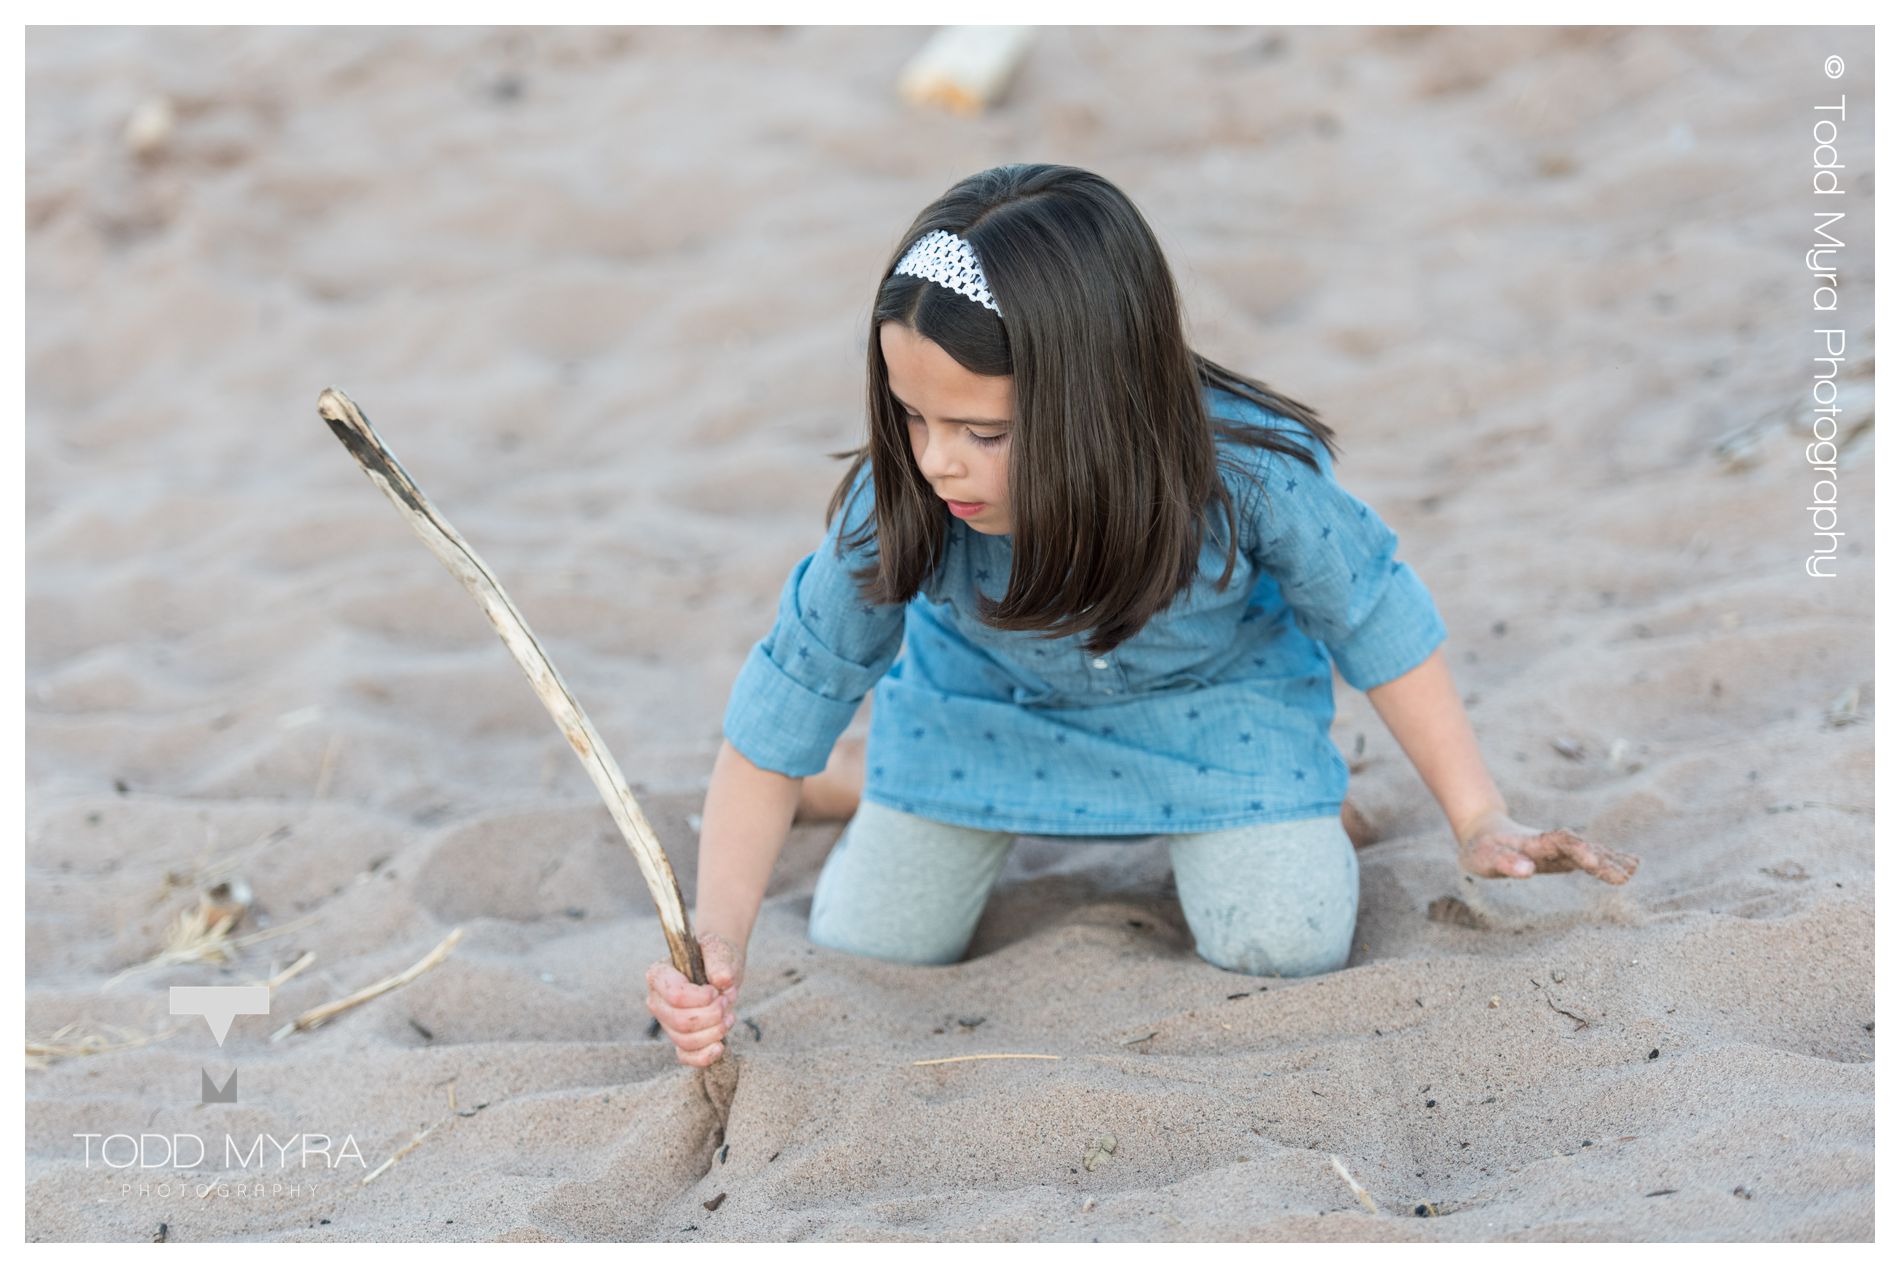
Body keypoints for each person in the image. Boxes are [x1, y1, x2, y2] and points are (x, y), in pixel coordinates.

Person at [646, 164, 1638, 1067]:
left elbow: (1374, 618)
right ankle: (858, 777)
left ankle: (1288, 793)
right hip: (980, 715)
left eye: (981, 430)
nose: (935, 459)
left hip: (1216, 713)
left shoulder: (1246, 480)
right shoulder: (903, 506)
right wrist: (719, 934)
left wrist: (1476, 815)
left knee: (1283, 941)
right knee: (872, 934)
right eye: (911, 415)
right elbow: (787, 702)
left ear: (1097, 402)